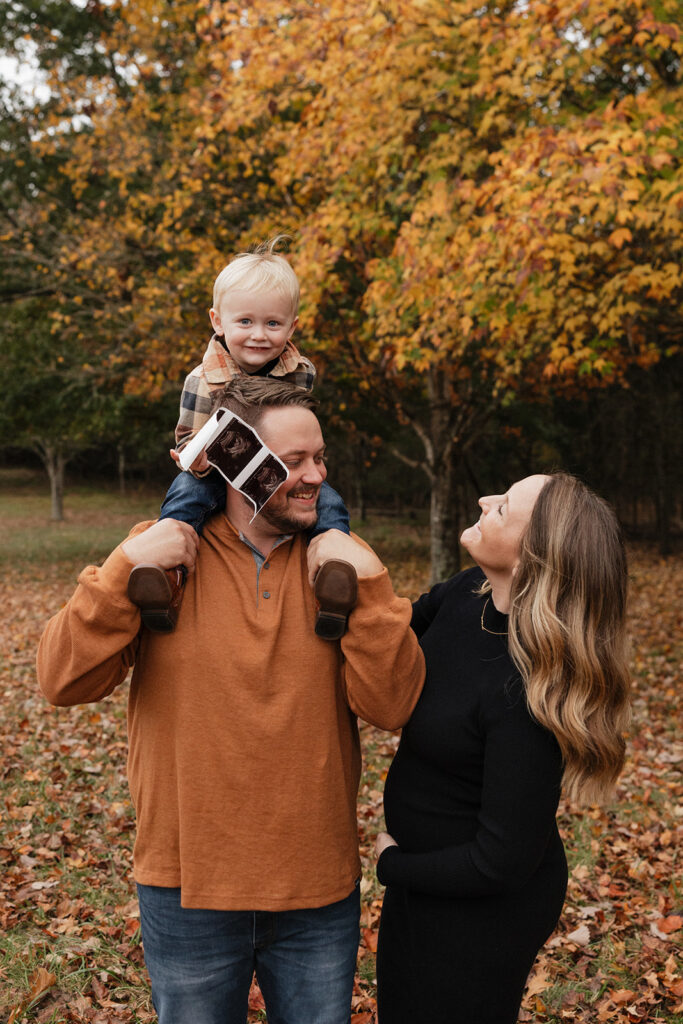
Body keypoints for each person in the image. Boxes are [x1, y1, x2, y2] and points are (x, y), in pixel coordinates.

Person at [37, 377, 425, 1024]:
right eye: (294, 462)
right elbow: (61, 680)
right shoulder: (164, 557)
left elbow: (394, 705)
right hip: (187, 887)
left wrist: (370, 586)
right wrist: (119, 570)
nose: (316, 476)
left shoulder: (339, 564)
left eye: (319, 458)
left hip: (315, 891)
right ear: (240, 462)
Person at [374, 473, 631, 1024]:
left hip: (481, 911)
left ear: (530, 556)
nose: (484, 500)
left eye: (503, 506)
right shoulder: (467, 594)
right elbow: (388, 633)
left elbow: (500, 864)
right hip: (425, 884)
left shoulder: (525, 692)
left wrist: (392, 865)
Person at [127, 237, 353, 636]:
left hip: (281, 471)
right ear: (218, 321)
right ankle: (168, 573)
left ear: (292, 326)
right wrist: (192, 458)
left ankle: (333, 574)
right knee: (185, 497)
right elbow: (187, 438)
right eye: (244, 322)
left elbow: (300, 431)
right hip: (221, 470)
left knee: (330, 505)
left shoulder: (302, 372)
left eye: (273, 324)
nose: (259, 335)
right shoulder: (202, 379)